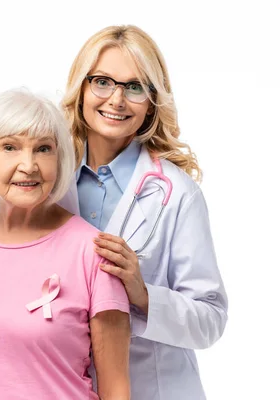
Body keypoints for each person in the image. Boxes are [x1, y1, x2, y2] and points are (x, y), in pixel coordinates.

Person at [0, 89, 131, 400]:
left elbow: (115, 389)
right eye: (10, 147)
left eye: (43, 149)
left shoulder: (92, 252)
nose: (29, 165)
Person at [58, 25, 229, 400]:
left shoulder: (176, 194)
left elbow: (211, 320)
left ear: (152, 101)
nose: (117, 100)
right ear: (81, 88)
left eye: (135, 87)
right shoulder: (51, 183)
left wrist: (142, 293)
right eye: (103, 81)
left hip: (154, 389)